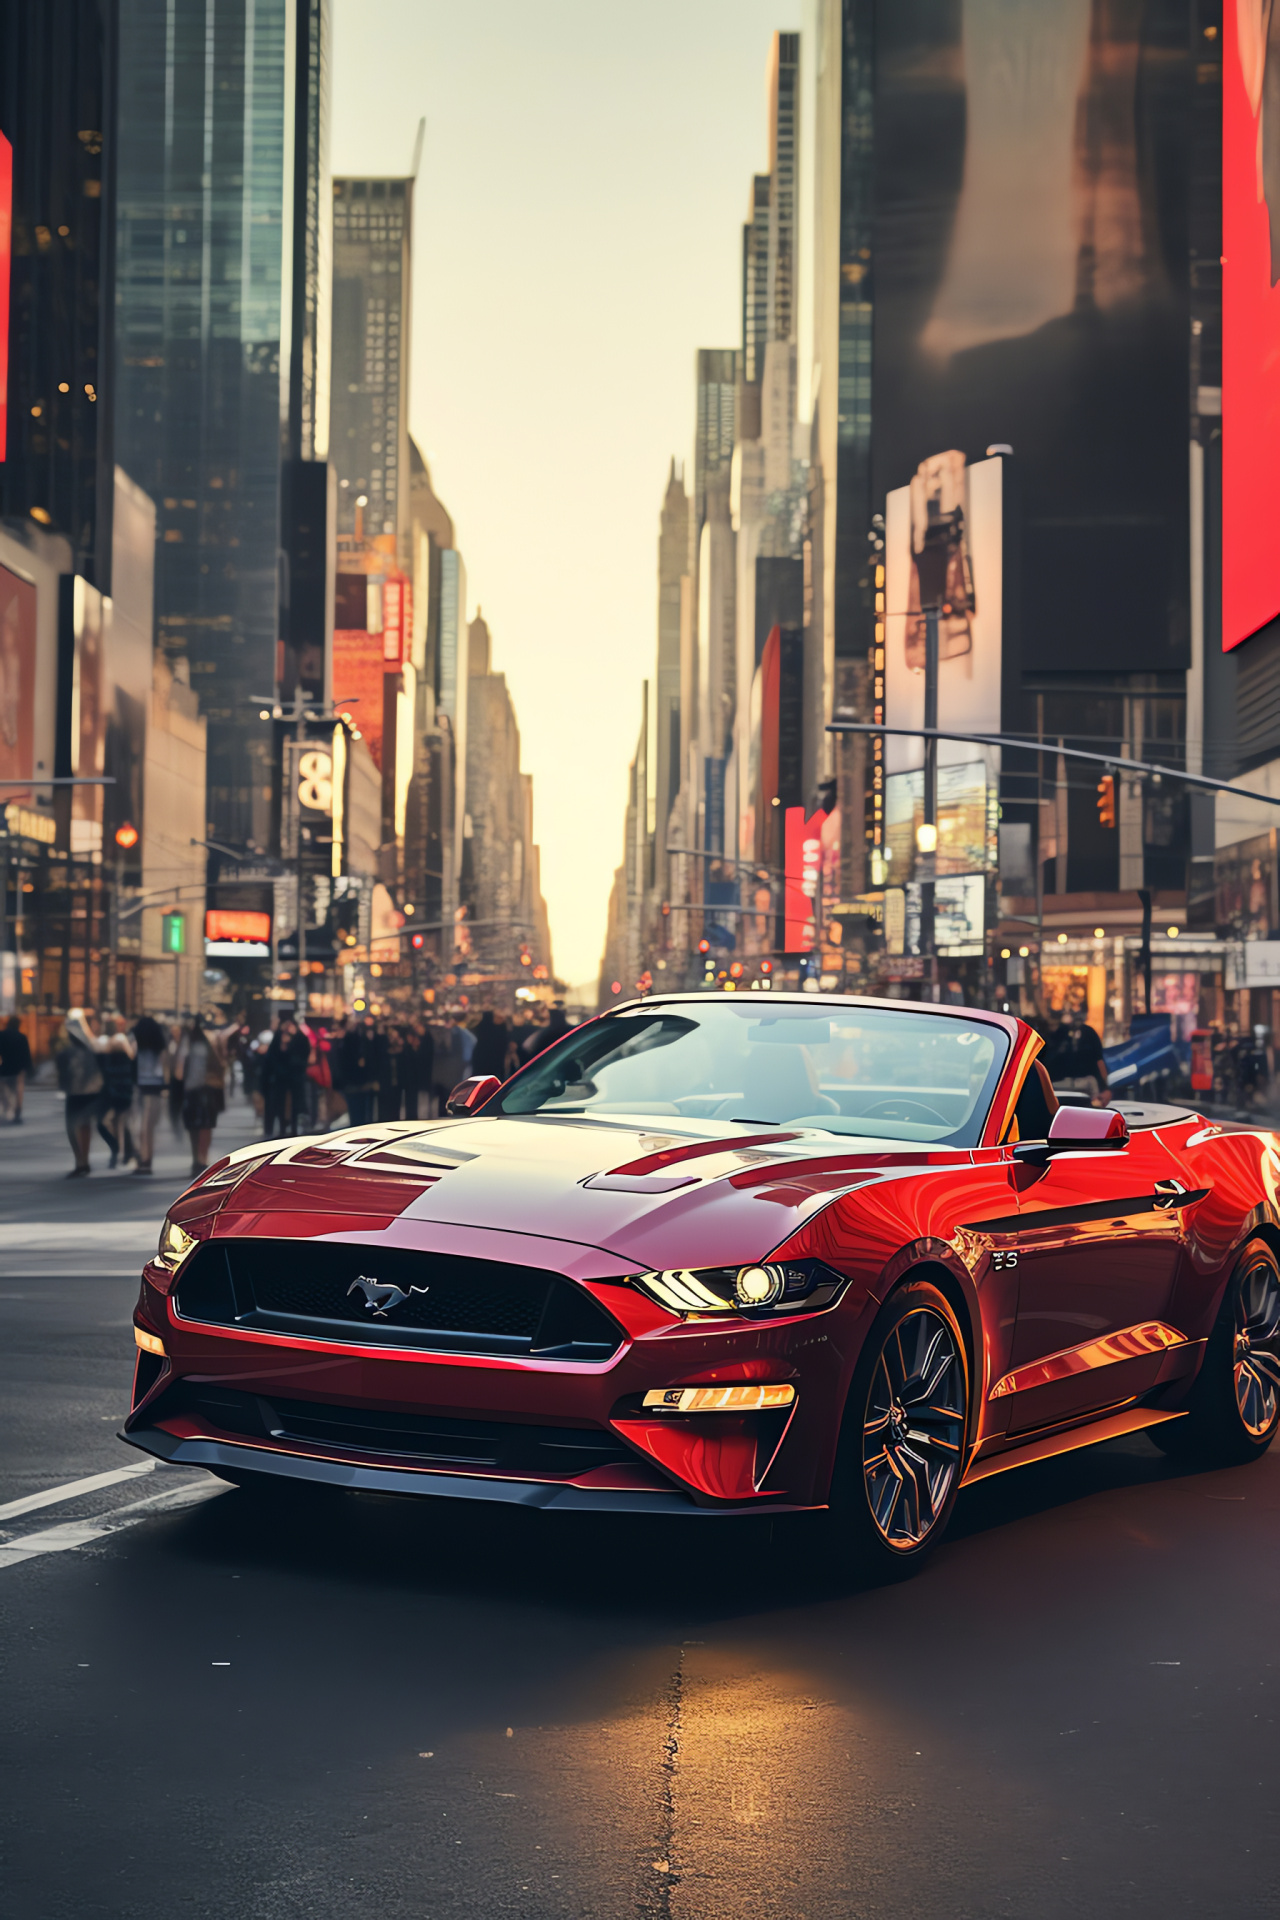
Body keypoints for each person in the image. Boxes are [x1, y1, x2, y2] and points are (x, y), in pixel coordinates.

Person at [176, 1013, 232, 1173]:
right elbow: (222, 1062)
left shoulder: (188, 1041)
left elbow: (179, 1071)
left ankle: (196, 1159)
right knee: (206, 1125)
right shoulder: (213, 1039)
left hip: (191, 1089)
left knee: (193, 1126)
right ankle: (203, 1159)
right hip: (209, 1087)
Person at [55, 1008, 105, 1176]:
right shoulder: (91, 1046)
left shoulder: (69, 1049)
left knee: (74, 1126)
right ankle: (83, 1161)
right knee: (82, 1126)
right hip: (89, 1091)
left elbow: (62, 1070)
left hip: (78, 1092)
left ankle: (81, 1161)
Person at [1040, 1006, 1110, 1105]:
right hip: (1059, 1085)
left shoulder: (1089, 1033)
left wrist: (1105, 1089)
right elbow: (1044, 1063)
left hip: (1087, 1084)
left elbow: (1099, 1061)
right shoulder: (1055, 1035)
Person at [98, 1015, 138, 1168]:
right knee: (122, 1119)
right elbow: (131, 1056)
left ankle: (118, 1151)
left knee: (113, 1120)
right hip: (122, 1083)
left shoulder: (103, 1041)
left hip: (111, 1084)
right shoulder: (120, 1039)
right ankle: (126, 1152)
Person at [131, 1015, 168, 1174]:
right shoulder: (159, 1048)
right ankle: (146, 1159)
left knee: (142, 1127)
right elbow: (165, 1069)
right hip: (154, 1089)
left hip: (142, 1089)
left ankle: (143, 1158)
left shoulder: (138, 1047)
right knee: (147, 1128)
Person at [262, 1017, 310, 1138]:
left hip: (294, 1076)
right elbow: (272, 1057)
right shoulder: (278, 1038)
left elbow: (303, 1055)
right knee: (279, 1104)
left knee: (295, 1104)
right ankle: (282, 1127)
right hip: (280, 1078)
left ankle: (293, 1127)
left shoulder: (300, 1038)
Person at [340, 1015, 381, 1126]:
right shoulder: (347, 1041)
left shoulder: (360, 1039)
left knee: (361, 1114)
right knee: (356, 1114)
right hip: (353, 1083)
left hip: (360, 1082)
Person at [0, 1014, 32, 1123]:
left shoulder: (2, 1035)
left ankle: (5, 1112)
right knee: (18, 1092)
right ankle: (16, 1113)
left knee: (4, 1092)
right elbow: (26, 1054)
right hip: (18, 1069)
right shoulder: (21, 1037)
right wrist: (29, 1069)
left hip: (4, 1067)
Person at [471, 1008, 509, 1079]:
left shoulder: (501, 1029)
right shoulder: (484, 1029)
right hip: (483, 1064)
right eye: (496, 1017)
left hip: (496, 1065)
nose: (501, 1019)